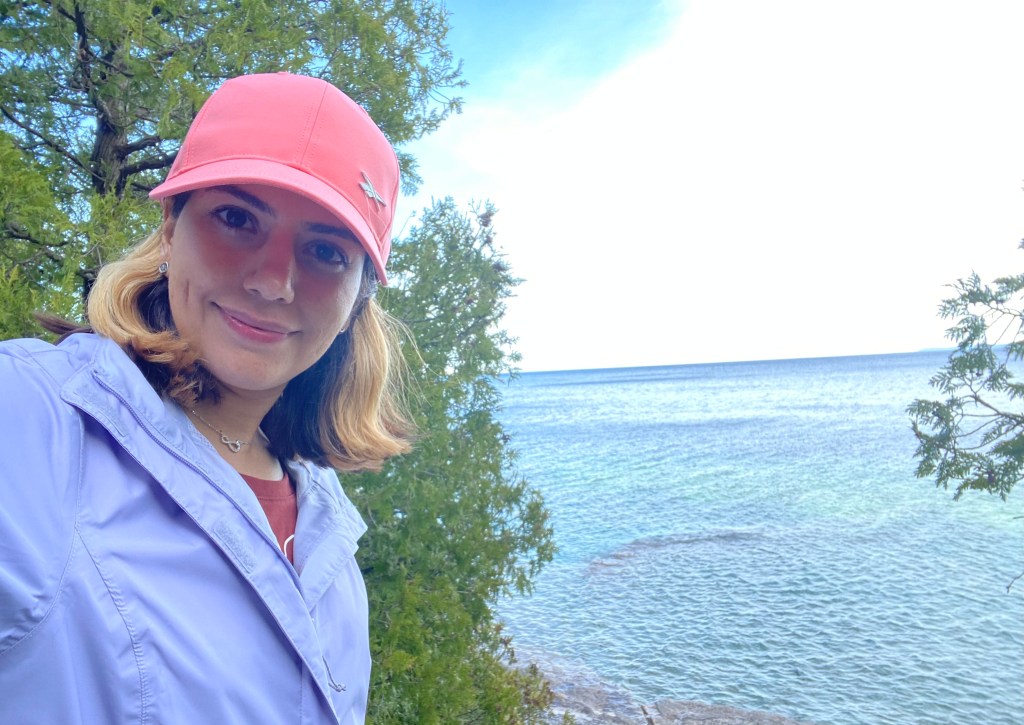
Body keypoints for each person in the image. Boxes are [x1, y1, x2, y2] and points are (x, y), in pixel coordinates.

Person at [0, 72, 413, 724]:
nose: (273, 281)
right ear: (171, 224)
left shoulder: (326, 529)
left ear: (357, 298)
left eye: (326, 250)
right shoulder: (36, 423)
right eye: (236, 218)